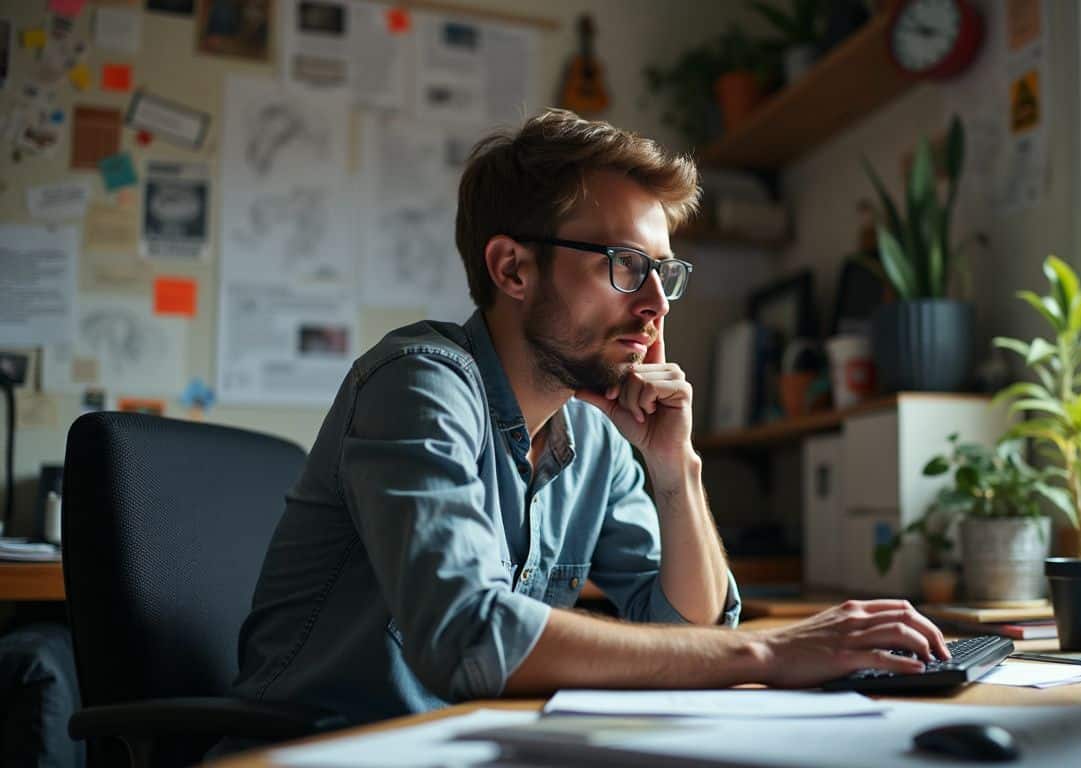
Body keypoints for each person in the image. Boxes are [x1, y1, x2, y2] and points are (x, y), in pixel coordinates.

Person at [230, 109, 949, 727]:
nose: (657, 306)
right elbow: (468, 636)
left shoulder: (597, 438)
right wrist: (769, 652)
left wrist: (676, 472)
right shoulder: (418, 384)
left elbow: (684, 633)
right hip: (327, 749)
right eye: (626, 266)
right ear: (513, 270)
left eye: (665, 274)